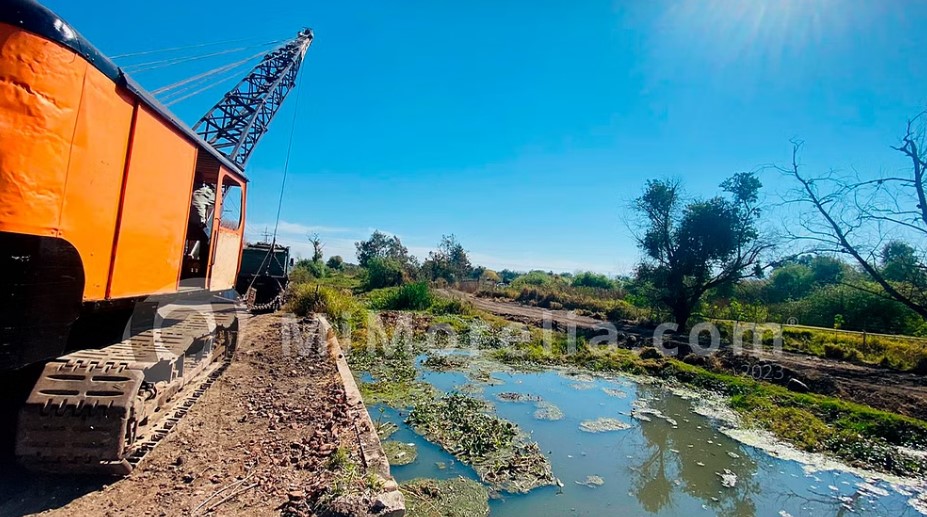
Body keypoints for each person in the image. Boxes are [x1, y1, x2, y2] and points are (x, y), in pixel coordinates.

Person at [188, 182, 215, 259]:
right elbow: (218, 200)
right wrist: (212, 189)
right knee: (207, 237)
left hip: (187, 225)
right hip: (198, 225)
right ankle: (204, 261)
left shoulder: (189, 190)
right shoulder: (204, 192)